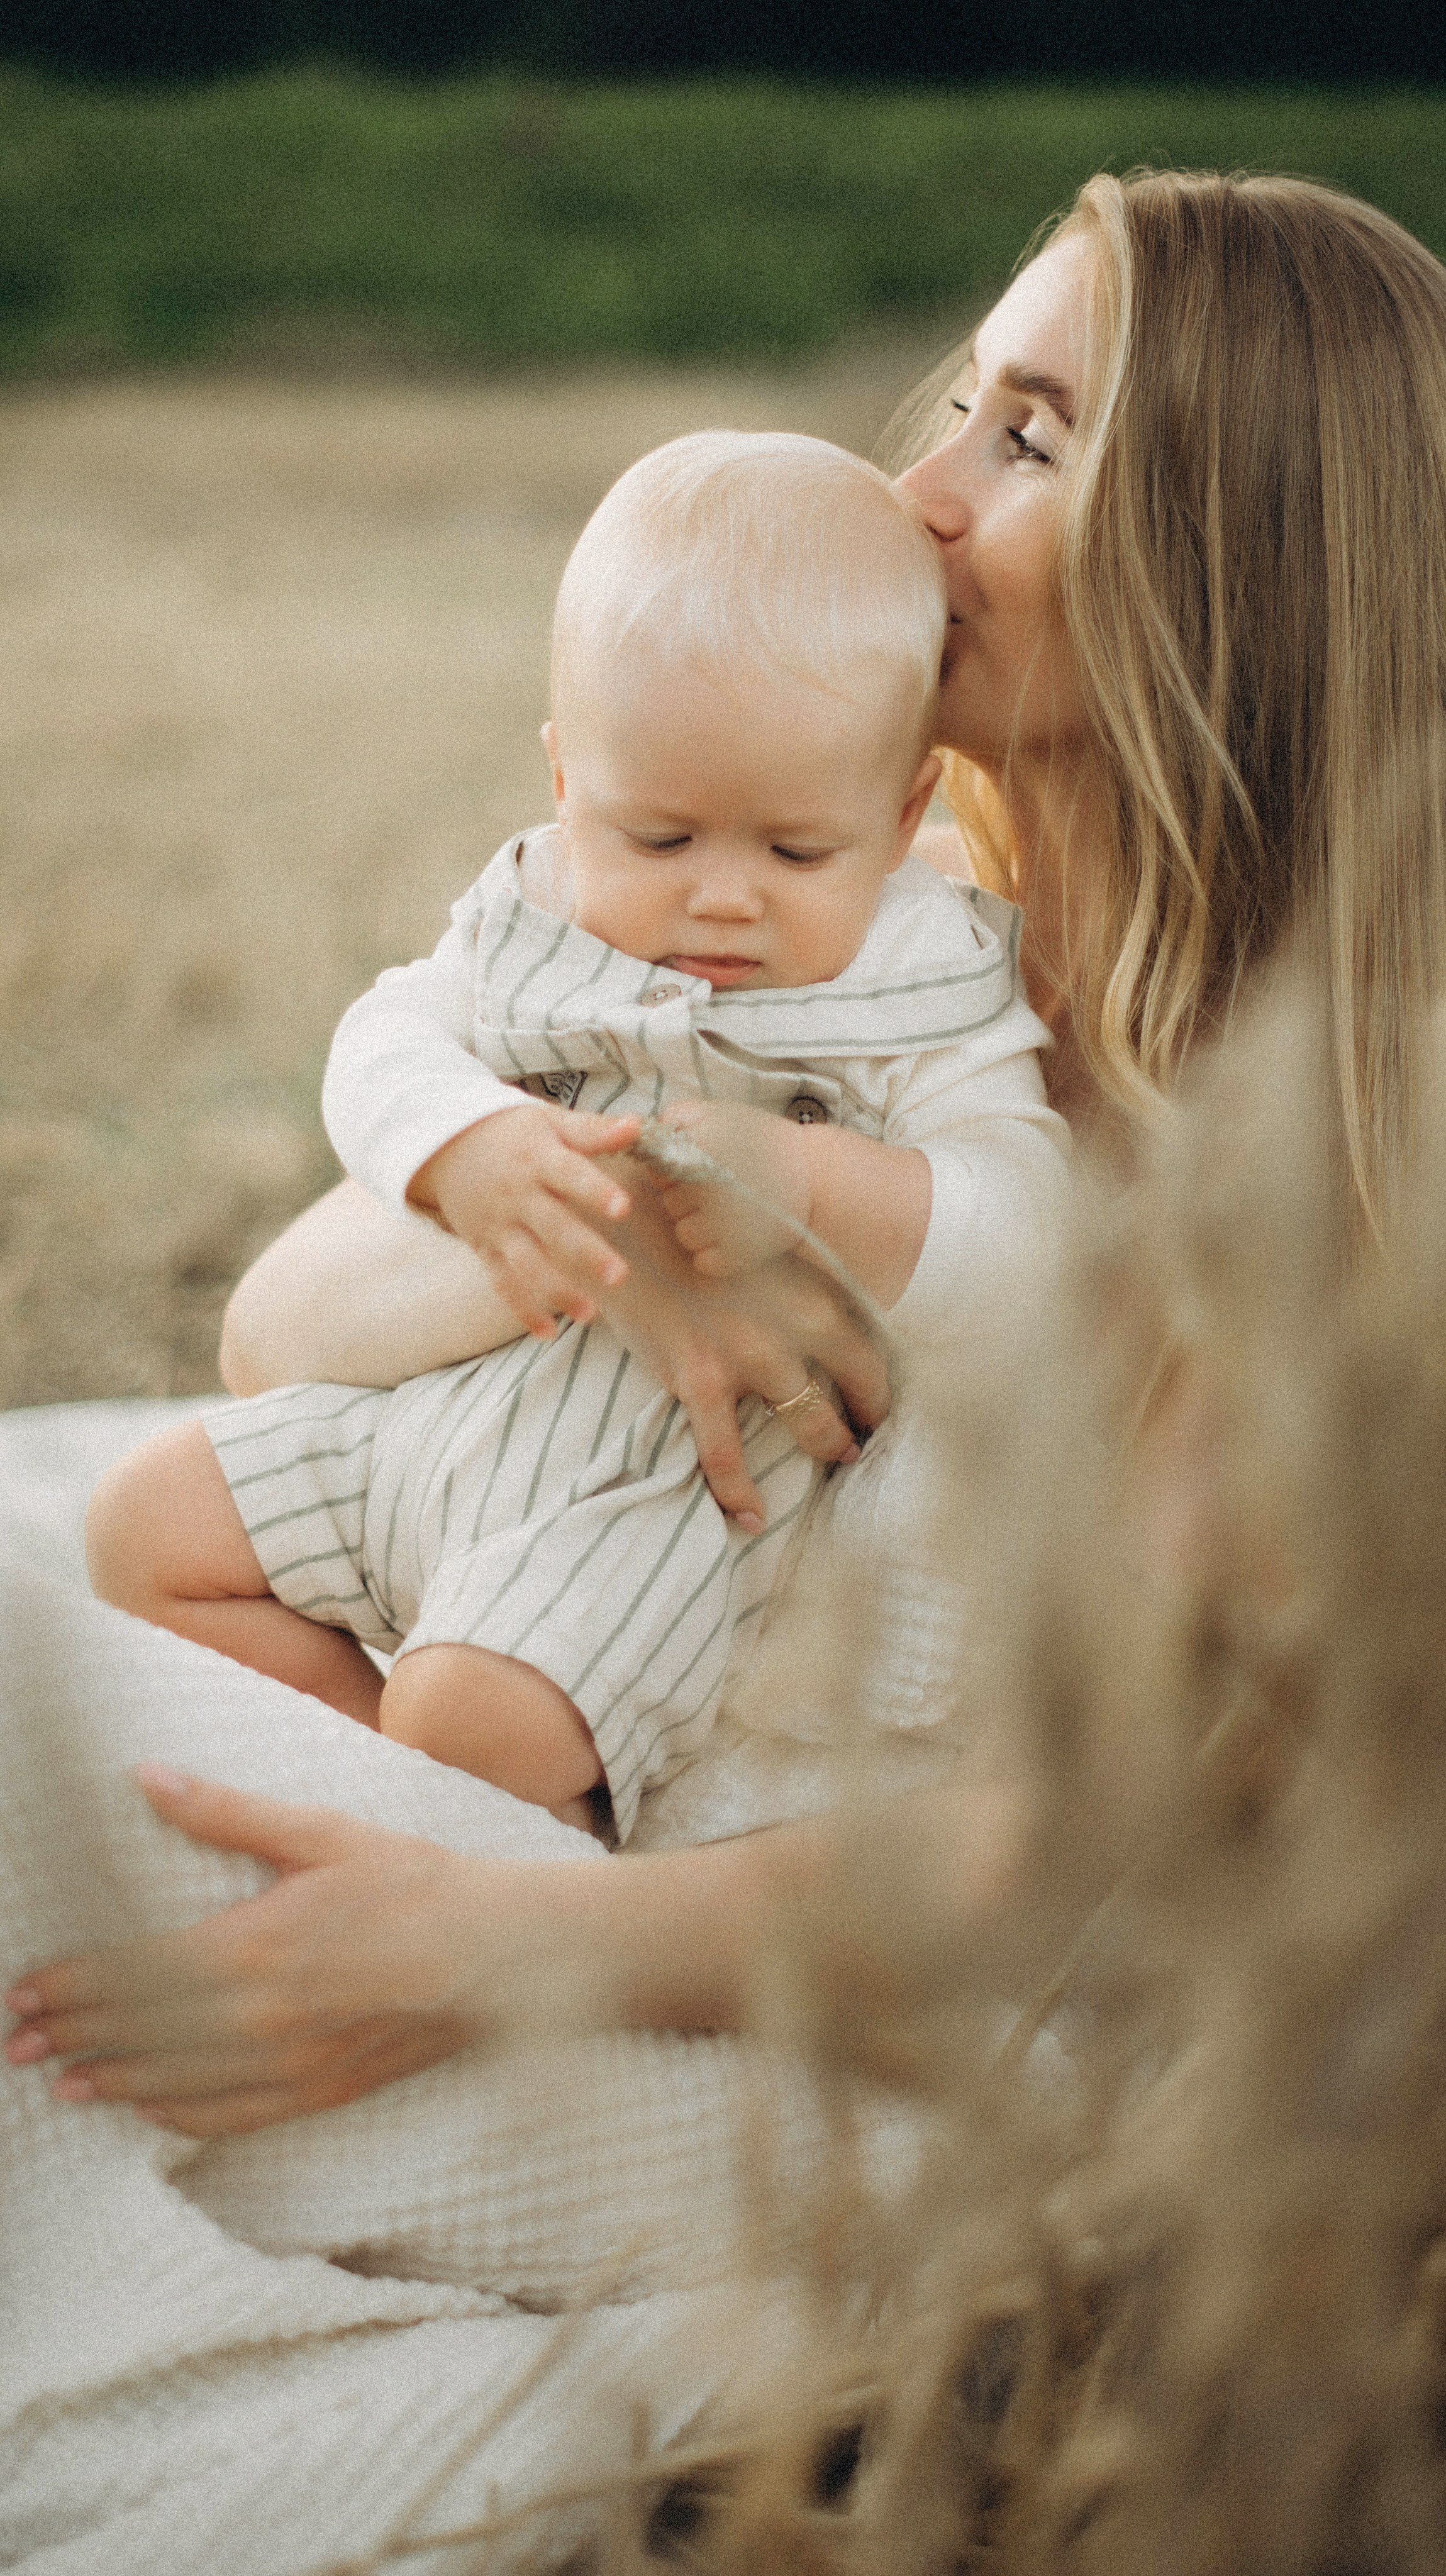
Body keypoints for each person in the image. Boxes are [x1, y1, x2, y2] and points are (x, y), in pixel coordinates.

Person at [10, 165, 1446, 2157]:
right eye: (960, 405)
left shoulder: (1309, 1164)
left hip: (837, 1977)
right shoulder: (847, 910)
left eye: (1026, 438)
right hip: (557, 1755)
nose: (919, 494)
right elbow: (278, 1327)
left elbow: (1078, 1838)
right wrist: (634, 1246)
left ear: (1233, 566)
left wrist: (486, 1944)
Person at [82, 432, 1061, 1843]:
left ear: (901, 810)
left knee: (466, 1721)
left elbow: (1028, 1215)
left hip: (650, 1485)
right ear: (563, 782)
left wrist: (811, 1175)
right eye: (659, 838)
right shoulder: (539, 913)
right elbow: (387, 1035)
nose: (721, 900)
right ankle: (392, 1806)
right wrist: (462, 1145)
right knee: (143, 1528)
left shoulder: (924, 981)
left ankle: (466, 1835)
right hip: (441, 1414)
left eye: (794, 852)